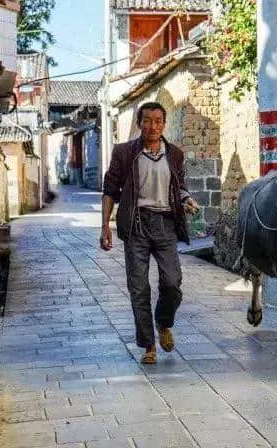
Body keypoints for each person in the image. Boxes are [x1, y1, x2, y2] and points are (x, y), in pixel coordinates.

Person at [100, 102, 200, 364]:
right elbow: (110, 190)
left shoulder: (175, 154)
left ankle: (163, 322)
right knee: (138, 287)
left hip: (166, 224)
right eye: (147, 120)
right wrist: (105, 228)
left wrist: (187, 199)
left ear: (164, 125)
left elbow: (179, 186)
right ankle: (149, 345)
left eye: (158, 121)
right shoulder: (124, 153)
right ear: (138, 123)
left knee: (172, 283)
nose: (152, 126)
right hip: (136, 225)